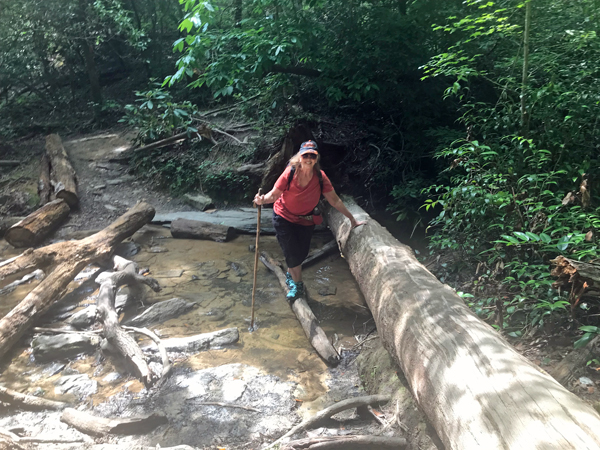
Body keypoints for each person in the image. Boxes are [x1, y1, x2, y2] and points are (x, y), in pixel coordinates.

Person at [253, 140, 366, 300]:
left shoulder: (320, 177)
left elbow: (335, 201)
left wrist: (352, 219)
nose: (308, 158)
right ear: (299, 156)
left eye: (312, 155)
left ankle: (291, 273)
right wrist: (262, 200)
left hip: (306, 220)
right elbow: (274, 194)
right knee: (292, 253)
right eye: (305, 154)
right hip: (283, 217)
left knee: (301, 254)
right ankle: (297, 287)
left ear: (316, 157)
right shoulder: (290, 173)